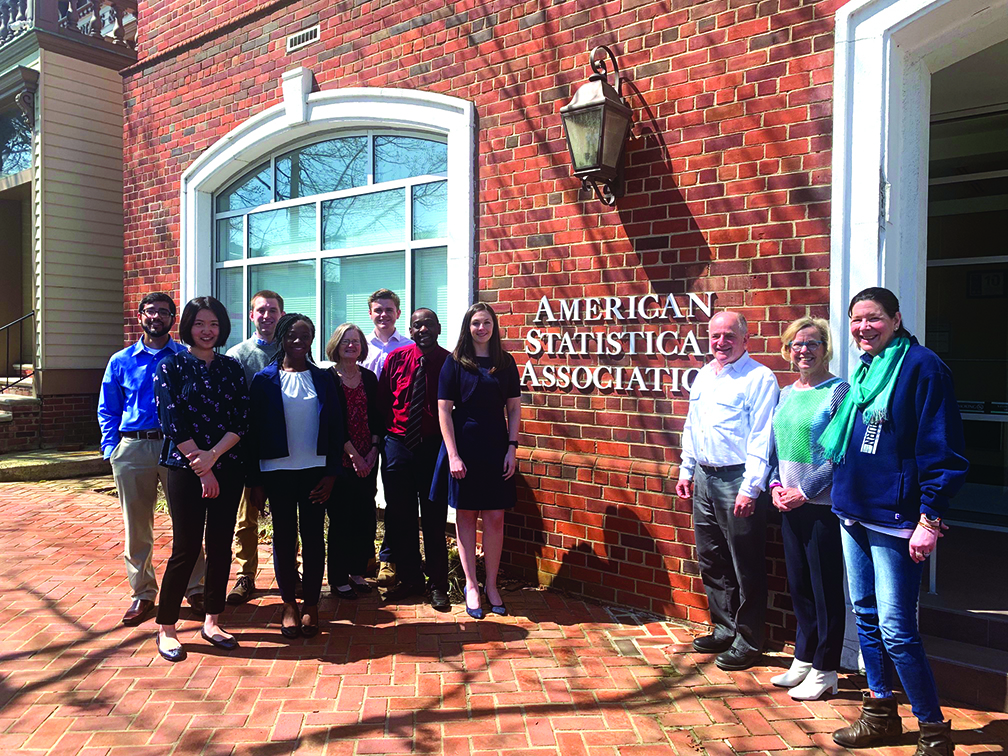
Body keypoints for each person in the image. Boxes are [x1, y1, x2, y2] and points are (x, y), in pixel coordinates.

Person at [826, 288, 967, 756]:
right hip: (853, 511)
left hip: (896, 518)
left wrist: (931, 517)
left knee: (897, 629)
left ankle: (934, 731)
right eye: (856, 319)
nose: (863, 327)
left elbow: (942, 449)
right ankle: (880, 713)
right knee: (865, 616)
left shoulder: (922, 367)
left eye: (874, 318)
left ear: (896, 319)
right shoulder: (866, 371)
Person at [675, 311, 779, 670]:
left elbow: (763, 437)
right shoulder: (705, 374)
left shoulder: (759, 378)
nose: (721, 343)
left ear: (745, 339)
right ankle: (724, 628)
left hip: (738, 479)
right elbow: (692, 426)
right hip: (704, 477)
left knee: (745, 563)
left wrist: (751, 488)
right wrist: (687, 469)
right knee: (712, 558)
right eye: (715, 336)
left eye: (729, 336)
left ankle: (749, 640)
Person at [98, 292, 205, 627]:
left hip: (177, 447)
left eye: (163, 311)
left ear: (173, 318)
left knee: (187, 522)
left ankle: (196, 588)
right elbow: (108, 408)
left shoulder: (186, 357)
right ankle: (142, 593)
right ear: (140, 316)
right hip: (134, 448)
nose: (156, 316)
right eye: (150, 311)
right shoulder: (121, 361)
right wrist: (111, 449)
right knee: (137, 526)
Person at [152, 296, 248, 662]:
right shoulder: (171, 365)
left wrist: (214, 457)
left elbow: (241, 420)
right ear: (188, 327)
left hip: (227, 464)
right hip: (184, 467)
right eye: (199, 324)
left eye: (214, 324)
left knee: (221, 545)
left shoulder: (231, 367)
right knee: (187, 547)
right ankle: (167, 628)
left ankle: (212, 621)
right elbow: (171, 420)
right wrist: (202, 466)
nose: (207, 331)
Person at [246, 313, 344, 639]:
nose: (299, 341)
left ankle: (312, 603)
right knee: (284, 539)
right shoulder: (263, 380)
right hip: (277, 473)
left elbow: (336, 428)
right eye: (292, 336)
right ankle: (289, 603)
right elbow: (252, 433)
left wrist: (332, 474)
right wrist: (254, 482)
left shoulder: (325, 379)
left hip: (315, 472)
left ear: (312, 339)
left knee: (314, 538)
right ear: (281, 339)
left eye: (305, 336)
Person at [767, 317, 848, 700]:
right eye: (797, 344)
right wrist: (776, 486)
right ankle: (804, 657)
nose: (804, 351)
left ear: (825, 349)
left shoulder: (839, 392)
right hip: (789, 504)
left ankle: (826, 668)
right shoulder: (786, 393)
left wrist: (804, 490)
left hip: (822, 507)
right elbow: (776, 450)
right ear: (788, 350)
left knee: (824, 589)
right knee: (799, 585)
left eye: (813, 343)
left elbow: (839, 453)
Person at [432, 302, 522, 620]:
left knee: (495, 518)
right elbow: (443, 410)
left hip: (496, 447)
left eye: (486, 323)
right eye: (475, 323)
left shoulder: (505, 362)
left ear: (494, 326)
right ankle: (471, 584)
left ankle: (491, 585)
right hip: (465, 448)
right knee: (467, 516)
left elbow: (514, 408)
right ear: (467, 327)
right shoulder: (455, 362)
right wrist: (453, 455)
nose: (481, 328)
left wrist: (512, 448)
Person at [376, 308, 451, 611]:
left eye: (428, 324)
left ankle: (438, 585)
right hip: (398, 445)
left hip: (433, 447)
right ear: (410, 330)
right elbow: (382, 404)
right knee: (400, 515)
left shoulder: (450, 363)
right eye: (417, 325)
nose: (423, 329)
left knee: (434, 517)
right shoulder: (396, 359)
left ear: (438, 328)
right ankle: (410, 579)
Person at [225, 290, 285, 605]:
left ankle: (290, 572)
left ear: (281, 315)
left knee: (285, 517)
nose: (267, 316)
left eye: (272, 310)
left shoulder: (293, 349)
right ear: (252, 316)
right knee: (246, 518)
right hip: (247, 448)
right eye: (261, 310)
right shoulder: (237, 355)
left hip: (285, 448)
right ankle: (245, 574)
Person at [325, 323, 382, 599]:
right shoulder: (328, 378)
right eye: (346, 341)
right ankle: (338, 578)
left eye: (356, 341)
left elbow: (377, 416)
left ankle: (358, 571)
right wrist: (353, 454)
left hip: (368, 459)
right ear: (336, 345)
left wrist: (373, 450)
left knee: (364, 516)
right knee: (341, 519)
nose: (351, 345)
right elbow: (331, 423)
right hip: (341, 460)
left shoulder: (369, 378)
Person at [360, 288, 411, 589]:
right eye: (378, 310)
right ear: (370, 314)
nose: (383, 315)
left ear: (397, 313)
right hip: (363, 428)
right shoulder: (359, 345)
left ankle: (388, 559)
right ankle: (364, 554)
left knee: (394, 495)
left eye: (389, 309)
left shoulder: (408, 346)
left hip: (394, 429)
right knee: (364, 493)